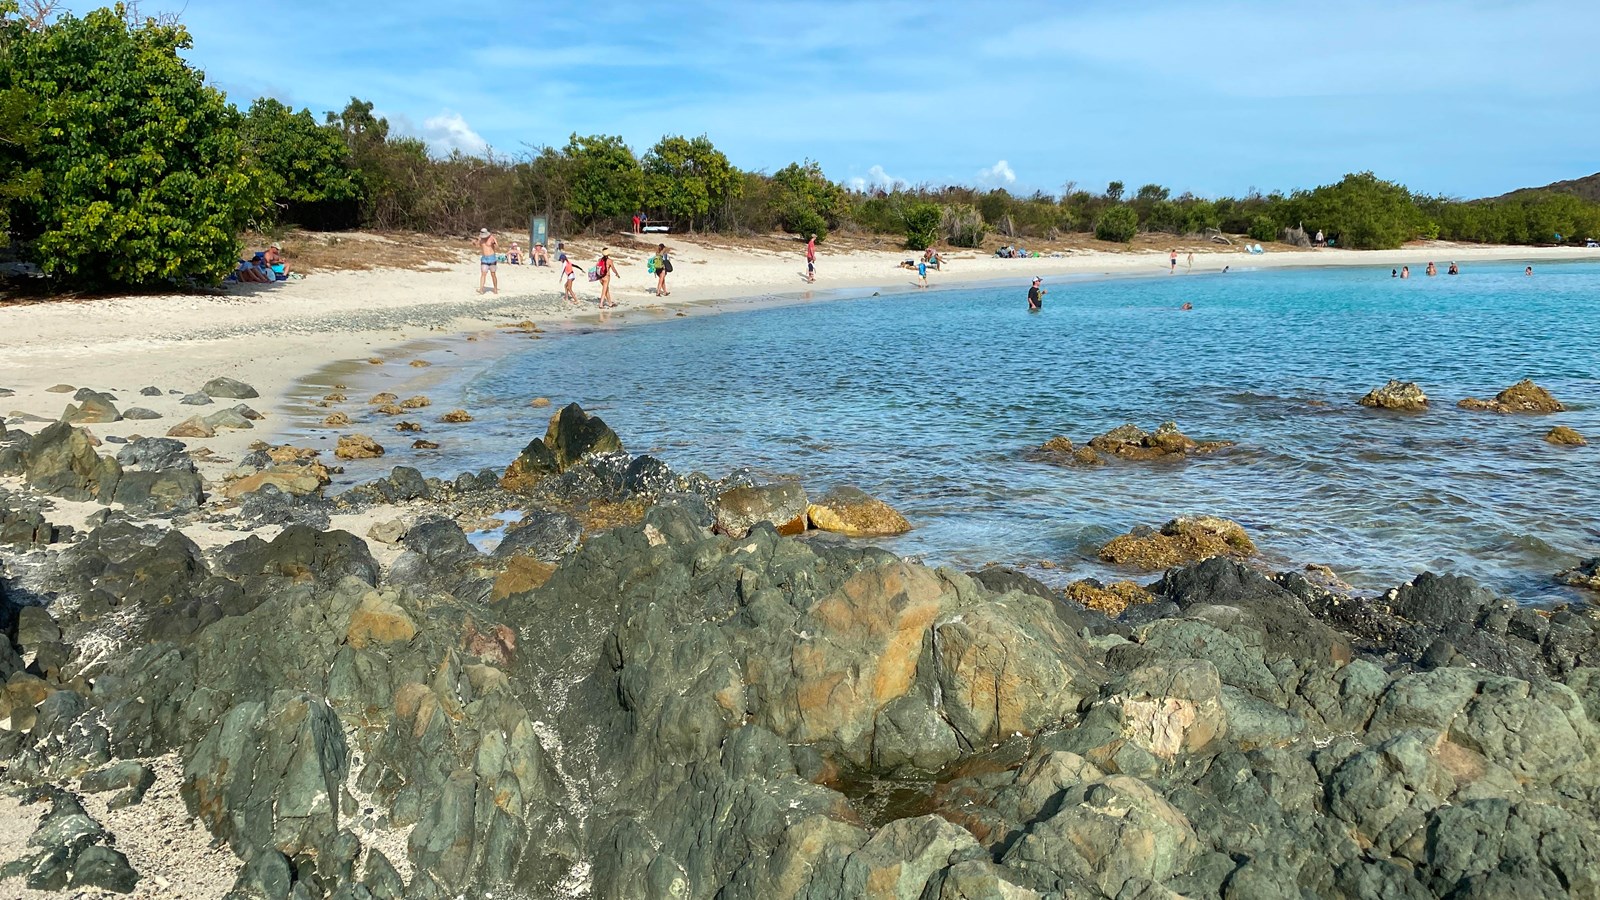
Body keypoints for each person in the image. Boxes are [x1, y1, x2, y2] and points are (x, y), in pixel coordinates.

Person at [476, 228, 499, 294]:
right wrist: (475, 242)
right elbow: (477, 246)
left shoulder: (492, 238)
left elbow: (497, 247)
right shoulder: (480, 239)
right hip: (484, 258)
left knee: (493, 274)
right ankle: (481, 289)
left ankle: (495, 288)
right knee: (483, 274)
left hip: (492, 258)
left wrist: (494, 244)